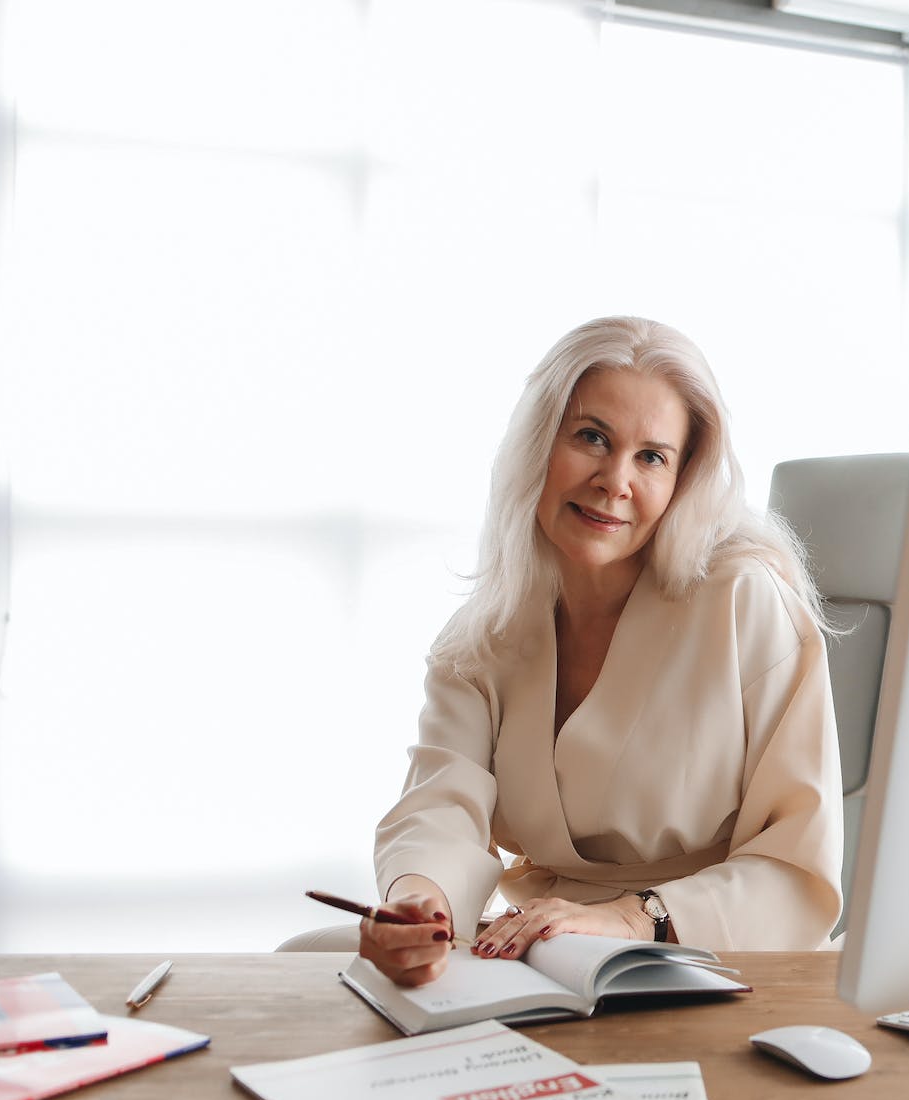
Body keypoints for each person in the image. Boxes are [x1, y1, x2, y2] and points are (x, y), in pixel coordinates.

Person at [359, 316, 843, 988]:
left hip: (724, 959)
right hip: (547, 958)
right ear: (539, 444)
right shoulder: (486, 631)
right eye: (592, 437)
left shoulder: (745, 598)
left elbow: (798, 862)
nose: (616, 479)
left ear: (682, 478)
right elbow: (440, 803)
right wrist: (423, 902)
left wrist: (637, 916)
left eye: (652, 456)